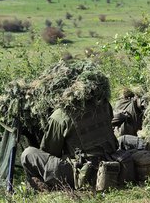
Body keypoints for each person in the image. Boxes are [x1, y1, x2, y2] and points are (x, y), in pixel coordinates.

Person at [20, 63, 118, 191]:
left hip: (83, 174)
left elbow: (50, 151)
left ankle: (41, 186)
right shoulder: (104, 104)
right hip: (112, 163)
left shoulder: (61, 115)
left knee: (29, 154)